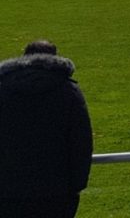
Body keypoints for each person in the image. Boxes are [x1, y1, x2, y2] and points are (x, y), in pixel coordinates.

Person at [0, 40, 93, 217]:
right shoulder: (69, 91)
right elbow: (81, 141)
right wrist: (76, 186)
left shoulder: (3, 89)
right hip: (56, 191)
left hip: (8, 190)